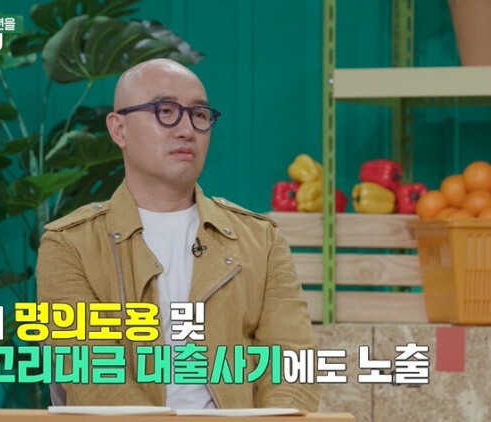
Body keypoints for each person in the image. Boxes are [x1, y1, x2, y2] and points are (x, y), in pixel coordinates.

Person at [36, 58, 319, 411]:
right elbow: (90, 374)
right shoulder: (68, 244)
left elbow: (293, 362)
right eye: (165, 111)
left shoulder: (261, 240)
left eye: (199, 115)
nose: (187, 130)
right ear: (119, 130)